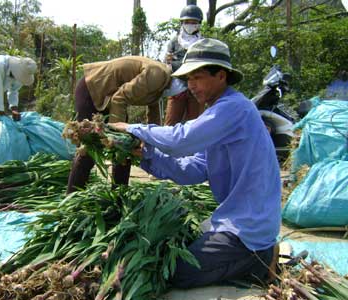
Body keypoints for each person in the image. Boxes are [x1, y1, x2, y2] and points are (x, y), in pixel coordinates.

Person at [109, 38, 281, 288]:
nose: (191, 86)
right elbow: (192, 169)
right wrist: (146, 155)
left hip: (248, 226)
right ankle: (245, 256)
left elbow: (181, 139)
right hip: (236, 218)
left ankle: (259, 259)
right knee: (179, 251)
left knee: (177, 272)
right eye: (188, 80)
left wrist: (133, 128)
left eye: (197, 78)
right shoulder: (217, 114)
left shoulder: (234, 108)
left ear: (221, 76)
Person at [66, 56, 187, 194]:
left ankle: (118, 195)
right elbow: (119, 98)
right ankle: (73, 196)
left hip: (112, 99)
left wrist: (152, 142)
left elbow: (153, 114)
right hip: (93, 89)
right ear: (177, 77)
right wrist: (114, 135)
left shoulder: (162, 83)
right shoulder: (158, 74)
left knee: (126, 148)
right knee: (90, 148)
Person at [164, 4, 205, 126]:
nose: (190, 24)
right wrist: (169, 61)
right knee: (170, 124)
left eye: (194, 22)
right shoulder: (174, 41)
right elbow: (167, 62)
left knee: (195, 125)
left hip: (197, 88)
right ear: (182, 23)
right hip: (177, 88)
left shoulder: (203, 42)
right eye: (187, 22)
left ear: (199, 24)